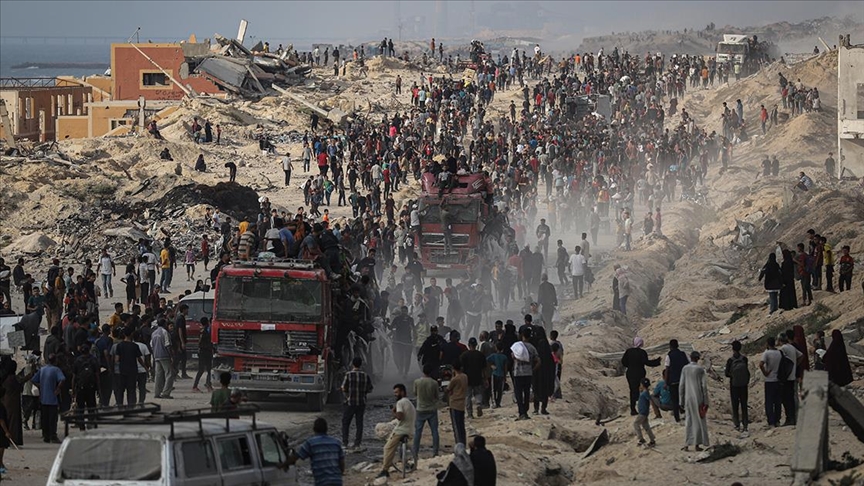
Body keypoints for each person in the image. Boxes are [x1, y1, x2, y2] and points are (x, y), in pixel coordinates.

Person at [281, 418, 345, 485]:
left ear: (314, 429)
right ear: (326, 429)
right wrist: (338, 474)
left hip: (322, 481)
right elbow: (342, 463)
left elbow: (296, 456)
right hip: (336, 480)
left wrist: (282, 464)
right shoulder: (336, 442)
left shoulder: (311, 443)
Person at [378, 384, 416, 479]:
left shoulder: (400, 403)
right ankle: (405, 462)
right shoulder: (409, 402)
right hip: (410, 430)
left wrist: (394, 412)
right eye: (394, 393)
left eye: (397, 392)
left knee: (387, 448)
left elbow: (400, 417)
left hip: (401, 431)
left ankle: (385, 470)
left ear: (402, 392)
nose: (395, 394)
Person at [621, 337, 661, 415]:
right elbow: (647, 362)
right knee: (641, 390)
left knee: (632, 390)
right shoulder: (642, 352)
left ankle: (633, 409)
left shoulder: (628, 351)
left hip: (630, 373)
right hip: (640, 373)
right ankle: (642, 408)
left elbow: (623, 362)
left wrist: (630, 366)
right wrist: (657, 361)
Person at [31, 353, 65, 443]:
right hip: (53, 399)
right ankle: (53, 436)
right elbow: (62, 379)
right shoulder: (56, 370)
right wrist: (58, 389)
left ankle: (46, 436)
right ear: (55, 360)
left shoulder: (42, 369)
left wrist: (40, 386)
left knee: (45, 418)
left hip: (43, 398)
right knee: (52, 419)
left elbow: (33, 380)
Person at [341, 357, 373, 451]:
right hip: (361, 402)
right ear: (361, 364)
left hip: (350, 403)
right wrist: (363, 392)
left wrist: (347, 396)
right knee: (359, 423)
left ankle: (345, 443)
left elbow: (343, 388)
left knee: (346, 422)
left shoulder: (348, 375)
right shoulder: (365, 376)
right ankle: (357, 443)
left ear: (352, 364)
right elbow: (370, 389)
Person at [680, 351, 709, 451]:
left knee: (689, 420)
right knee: (699, 420)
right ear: (697, 359)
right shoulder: (700, 369)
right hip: (698, 397)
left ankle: (687, 444)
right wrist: (706, 401)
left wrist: (681, 400)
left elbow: (682, 385)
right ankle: (697, 444)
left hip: (688, 397)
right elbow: (704, 386)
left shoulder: (685, 368)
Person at [511, 327, 539, 421]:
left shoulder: (517, 346)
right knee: (527, 393)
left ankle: (521, 413)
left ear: (522, 335)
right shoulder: (532, 347)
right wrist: (533, 369)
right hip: (528, 373)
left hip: (518, 373)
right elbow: (538, 361)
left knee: (518, 394)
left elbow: (513, 356)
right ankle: (525, 412)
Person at [413, 363, 440, 459]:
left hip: (420, 409)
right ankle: (435, 452)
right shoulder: (434, 383)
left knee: (418, 432)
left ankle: (415, 453)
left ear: (423, 371)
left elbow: (415, 393)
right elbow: (436, 396)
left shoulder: (417, 382)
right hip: (432, 409)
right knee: (434, 431)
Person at [724, 340, 750, 432]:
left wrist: (733, 376)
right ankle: (745, 424)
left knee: (735, 405)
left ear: (733, 349)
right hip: (743, 385)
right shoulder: (744, 359)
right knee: (744, 404)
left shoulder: (730, 360)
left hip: (734, 385)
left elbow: (726, 373)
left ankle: (737, 424)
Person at [777, 333, 802, 426]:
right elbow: (801, 356)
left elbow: (780, 361)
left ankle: (789, 418)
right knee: (791, 398)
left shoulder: (783, 348)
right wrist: (795, 365)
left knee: (786, 399)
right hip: (792, 376)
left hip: (786, 377)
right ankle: (793, 418)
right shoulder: (791, 347)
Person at [460, 338, 487, 419]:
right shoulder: (480, 355)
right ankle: (478, 404)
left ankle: (470, 414)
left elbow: (461, 368)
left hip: (467, 378)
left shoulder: (464, 355)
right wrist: (485, 379)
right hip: (478, 377)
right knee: (478, 393)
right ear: (476, 345)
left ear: (469, 345)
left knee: (468, 396)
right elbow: (484, 368)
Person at [663, 339, 688, 423]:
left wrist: (665, 382)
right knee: (683, 398)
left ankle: (677, 418)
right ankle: (685, 413)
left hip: (673, 381)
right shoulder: (683, 354)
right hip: (683, 380)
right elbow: (687, 365)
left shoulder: (669, 356)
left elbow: (667, 369)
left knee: (675, 400)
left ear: (670, 346)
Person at [150, 319, 174, 399]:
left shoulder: (154, 333)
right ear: (164, 324)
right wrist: (171, 356)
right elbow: (167, 345)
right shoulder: (164, 332)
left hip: (156, 355)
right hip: (164, 355)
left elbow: (151, 345)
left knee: (158, 375)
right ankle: (166, 393)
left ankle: (157, 393)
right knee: (169, 374)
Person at [446, 362, 468, 446]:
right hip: (462, 403)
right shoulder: (465, 376)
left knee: (456, 426)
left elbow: (448, 389)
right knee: (461, 425)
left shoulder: (455, 379)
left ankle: (459, 444)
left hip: (454, 403)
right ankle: (463, 442)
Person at [633, 378, 656, 447]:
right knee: (646, 426)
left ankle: (641, 439)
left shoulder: (645, 393)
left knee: (636, 424)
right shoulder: (644, 392)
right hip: (644, 412)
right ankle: (652, 440)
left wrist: (654, 408)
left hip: (643, 412)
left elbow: (650, 400)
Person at [192, 317, 213, 392]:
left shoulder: (206, 330)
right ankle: (195, 386)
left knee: (208, 369)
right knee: (203, 369)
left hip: (206, 351)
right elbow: (200, 342)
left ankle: (208, 384)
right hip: (204, 351)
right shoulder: (205, 331)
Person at [487, 342, 509, 408]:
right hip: (501, 375)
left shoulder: (493, 355)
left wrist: (491, 365)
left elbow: (486, 360)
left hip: (494, 374)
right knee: (500, 390)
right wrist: (505, 376)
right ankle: (498, 403)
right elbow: (505, 368)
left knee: (493, 389)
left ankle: (494, 403)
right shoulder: (504, 357)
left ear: (496, 348)